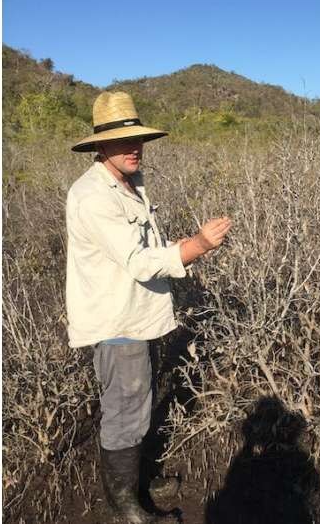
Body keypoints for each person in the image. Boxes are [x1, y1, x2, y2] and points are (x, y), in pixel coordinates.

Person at [66, 91, 232, 523]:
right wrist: (195, 246)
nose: (134, 148)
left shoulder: (130, 184)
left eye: (137, 140)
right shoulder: (93, 196)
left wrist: (183, 248)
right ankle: (125, 508)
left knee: (137, 402)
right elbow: (140, 262)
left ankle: (137, 485)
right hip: (117, 320)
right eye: (123, 142)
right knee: (125, 412)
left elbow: (146, 247)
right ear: (100, 146)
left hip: (140, 314)